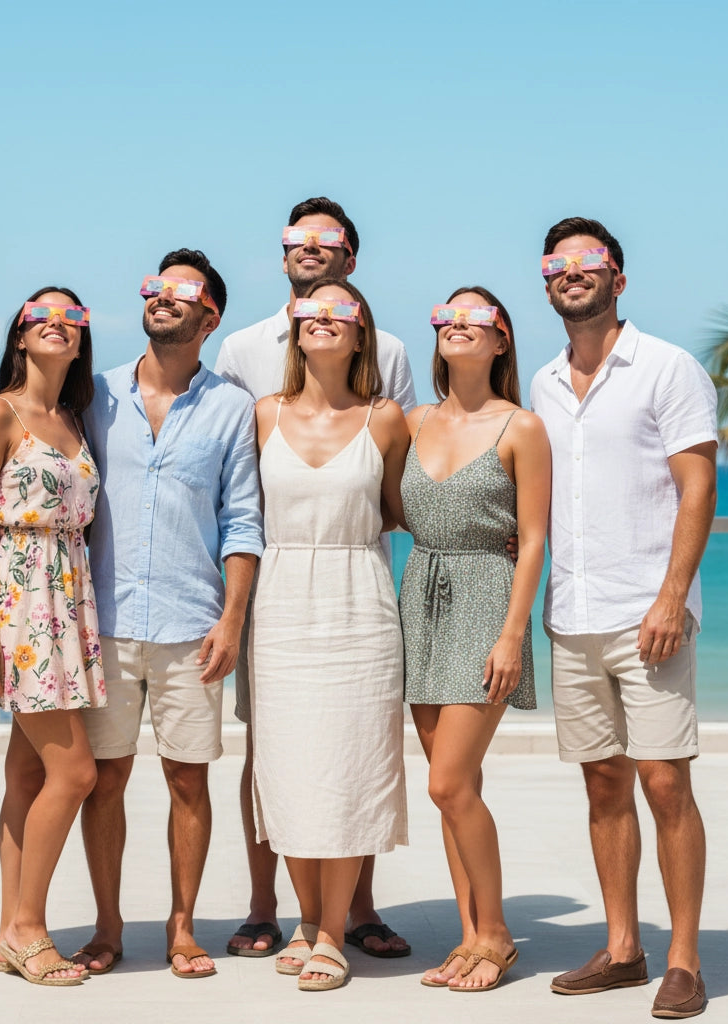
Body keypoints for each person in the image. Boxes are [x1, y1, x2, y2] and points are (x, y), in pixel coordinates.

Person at [215, 196, 416, 959]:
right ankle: (273, 908)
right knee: (275, 752)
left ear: (351, 261)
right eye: (295, 239)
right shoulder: (241, 354)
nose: (309, 249)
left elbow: (400, 493)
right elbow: (234, 485)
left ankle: (353, 912)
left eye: (326, 241)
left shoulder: (389, 359)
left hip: (355, 588)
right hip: (277, 592)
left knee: (356, 753)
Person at [531, 217, 717, 1019]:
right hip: (572, 616)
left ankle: (683, 959)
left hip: (650, 615)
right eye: (557, 264)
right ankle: (621, 948)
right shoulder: (540, 382)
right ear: (547, 282)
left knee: (664, 781)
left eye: (589, 262)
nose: (572, 273)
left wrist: (673, 595)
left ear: (618, 278)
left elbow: (698, 487)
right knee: (603, 784)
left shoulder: (667, 368)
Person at [76, 249, 263, 980]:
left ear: (210, 316)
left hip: (193, 625)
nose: (164, 298)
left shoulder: (231, 407)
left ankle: (182, 927)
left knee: (190, 780)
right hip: (106, 622)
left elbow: (242, 520)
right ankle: (108, 925)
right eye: (156, 287)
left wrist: (233, 620)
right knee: (105, 779)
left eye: (183, 292)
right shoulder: (94, 395)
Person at [250, 278, 410, 991]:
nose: (322, 320)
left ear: (360, 333)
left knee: (348, 768)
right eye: (308, 312)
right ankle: (307, 920)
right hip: (281, 603)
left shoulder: (386, 419)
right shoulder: (262, 414)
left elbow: (404, 509)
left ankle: (333, 932)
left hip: (358, 602)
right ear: (294, 328)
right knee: (289, 768)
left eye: (339, 312)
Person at [401, 288, 550, 991]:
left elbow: (536, 539)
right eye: (446, 317)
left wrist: (512, 635)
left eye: (476, 319)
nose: (457, 325)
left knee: (448, 781)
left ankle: (495, 936)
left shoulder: (522, 426)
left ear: (501, 342)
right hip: (418, 602)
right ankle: (469, 935)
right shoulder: (410, 421)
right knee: (454, 791)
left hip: (487, 600)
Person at [0, 286, 105, 986]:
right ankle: (28, 927)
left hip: (69, 597)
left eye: (71, 317)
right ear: (19, 334)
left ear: (81, 340)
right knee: (75, 773)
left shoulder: (74, 419)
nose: (57, 323)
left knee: (26, 772)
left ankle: (5, 934)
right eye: (42, 315)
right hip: (21, 596)